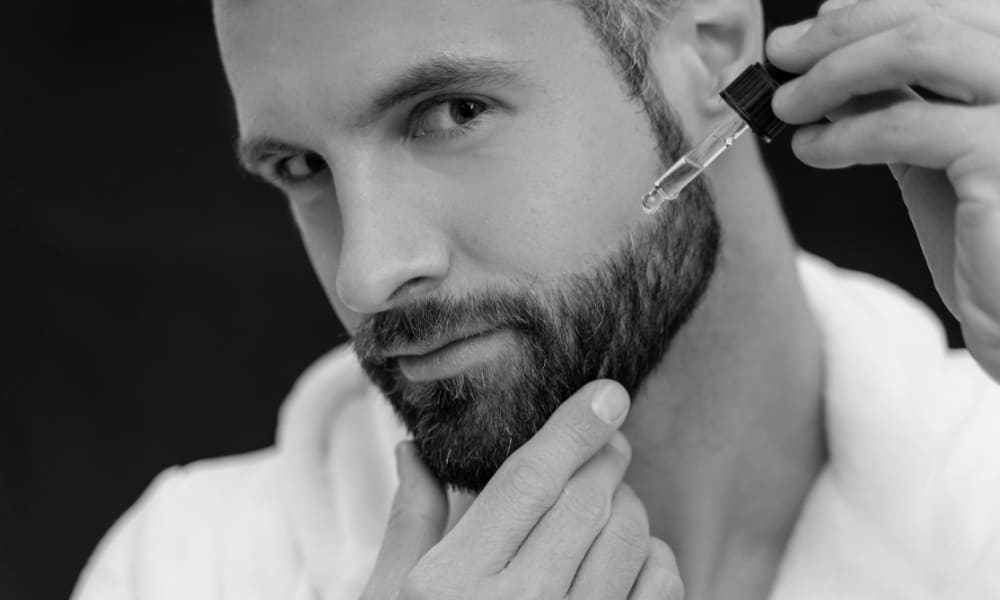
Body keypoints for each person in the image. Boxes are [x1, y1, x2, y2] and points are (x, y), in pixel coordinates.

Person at [73, 0, 1000, 598]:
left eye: (451, 112)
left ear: (709, 50)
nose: (367, 274)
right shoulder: (183, 568)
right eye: (300, 167)